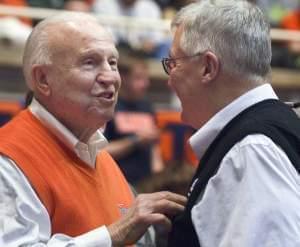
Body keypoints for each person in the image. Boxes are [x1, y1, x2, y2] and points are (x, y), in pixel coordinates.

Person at [0, 12, 187, 246]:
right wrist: (115, 234)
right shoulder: (8, 159)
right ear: (43, 79)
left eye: (112, 62)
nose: (110, 77)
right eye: (89, 62)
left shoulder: (99, 154)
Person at [160, 0, 300, 246]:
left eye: (173, 64)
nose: (169, 80)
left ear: (207, 67)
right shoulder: (265, 132)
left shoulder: (251, 150)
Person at [104, 56, 164, 186]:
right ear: (123, 78)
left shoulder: (146, 106)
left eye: (146, 78)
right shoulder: (108, 107)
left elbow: (154, 146)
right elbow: (101, 152)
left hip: (146, 182)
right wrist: (135, 141)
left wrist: (159, 176)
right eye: (139, 78)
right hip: (117, 181)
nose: (146, 84)